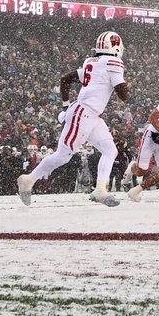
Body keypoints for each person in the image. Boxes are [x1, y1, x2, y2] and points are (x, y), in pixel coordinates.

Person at [18, 30, 130, 207]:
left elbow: (65, 79)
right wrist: (123, 84)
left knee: (110, 150)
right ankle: (28, 180)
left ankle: (100, 189)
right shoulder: (112, 63)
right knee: (63, 156)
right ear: (115, 47)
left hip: (90, 114)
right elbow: (123, 94)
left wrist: (65, 105)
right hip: (83, 113)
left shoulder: (92, 62)